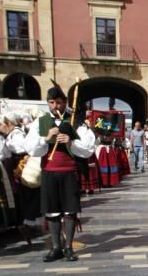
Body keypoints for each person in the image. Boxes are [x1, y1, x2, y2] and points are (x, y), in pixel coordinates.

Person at [25, 87, 95, 262]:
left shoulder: (75, 122)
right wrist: (45, 138)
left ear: (64, 102)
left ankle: (69, 247)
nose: (55, 106)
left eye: (58, 102)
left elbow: (88, 150)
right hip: (49, 171)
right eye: (51, 102)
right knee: (52, 212)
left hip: (69, 172)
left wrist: (71, 143)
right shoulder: (40, 123)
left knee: (70, 211)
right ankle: (56, 247)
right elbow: (31, 149)